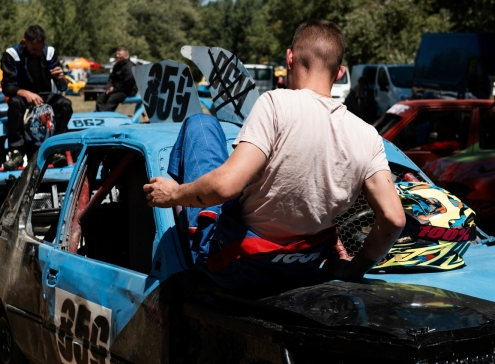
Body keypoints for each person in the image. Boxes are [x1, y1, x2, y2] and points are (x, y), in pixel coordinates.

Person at [143, 19, 406, 290]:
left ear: (289, 58)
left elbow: (225, 186)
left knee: (201, 124)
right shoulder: (367, 135)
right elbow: (394, 219)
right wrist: (354, 268)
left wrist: (173, 194)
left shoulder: (275, 104)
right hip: (303, 270)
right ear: (339, 73)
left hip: (235, 265)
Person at [0, 25, 72, 170]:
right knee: (14, 102)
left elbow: (63, 87)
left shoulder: (49, 53)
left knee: (65, 104)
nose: (37, 53)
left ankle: (57, 148)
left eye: (40, 49)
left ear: (44, 43)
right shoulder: (12, 54)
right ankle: (16, 152)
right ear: (24, 42)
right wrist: (26, 93)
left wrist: (61, 78)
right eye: (33, 50)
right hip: (21, 97)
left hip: (44, 96)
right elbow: (6, 87)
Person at [96, 46, 137, 112]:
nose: (117, 56)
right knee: (100, 98)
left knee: (112, 99)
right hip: (116, 90)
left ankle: (106, 115)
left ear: (126, 56)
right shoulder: (117, 66)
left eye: (119, 55)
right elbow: (111, 78)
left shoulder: (130, 67)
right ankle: (99, 115)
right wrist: (109, 87)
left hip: (127, 91)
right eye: (117, 54)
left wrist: (114, 89)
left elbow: (127, 84)